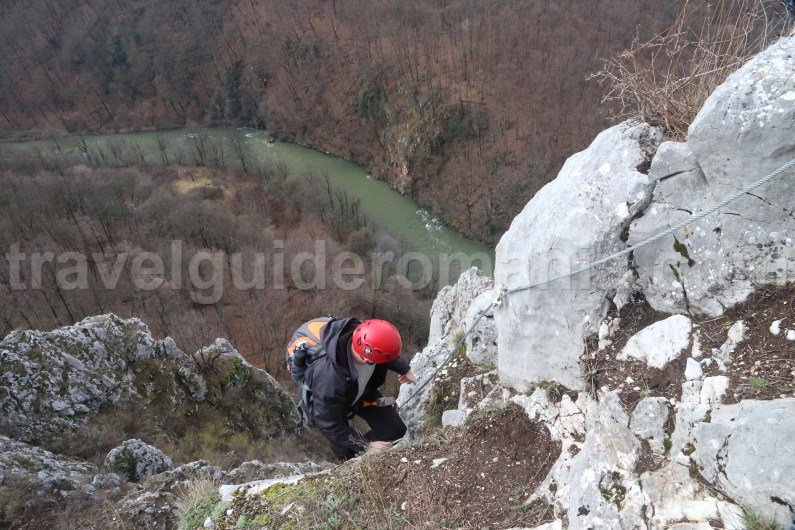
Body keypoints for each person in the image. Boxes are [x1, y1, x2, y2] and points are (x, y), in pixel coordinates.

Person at [286, 317, 417, 460]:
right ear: (368, 359)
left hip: (358, 389)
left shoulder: (361, 334)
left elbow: (383, 348)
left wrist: (404, 369)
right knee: (348, 455)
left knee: (395, 430)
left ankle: (365, 449)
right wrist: (366, 445)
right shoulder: (329, 378)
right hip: (328, 408)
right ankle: (349, 461)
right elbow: (328, 423)